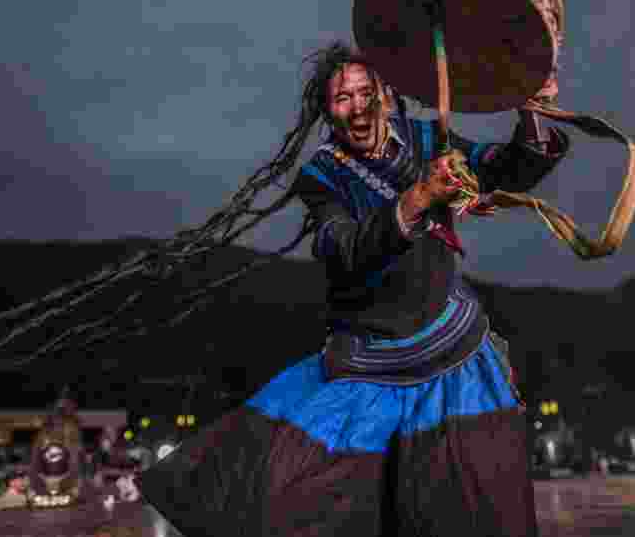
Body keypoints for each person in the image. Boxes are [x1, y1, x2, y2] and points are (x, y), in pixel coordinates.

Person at [137, 42, 569, 537]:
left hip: (455, 360)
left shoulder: (428, 137)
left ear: (386, 94)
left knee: (475, 512)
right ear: (327, 110)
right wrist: (420, 196)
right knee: (288, 498)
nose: (359, 107)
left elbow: (505, 166)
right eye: (343, 98)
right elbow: (342, 249)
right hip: (369, 367)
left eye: (368, 92)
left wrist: (532, 110)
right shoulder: (322, 175)